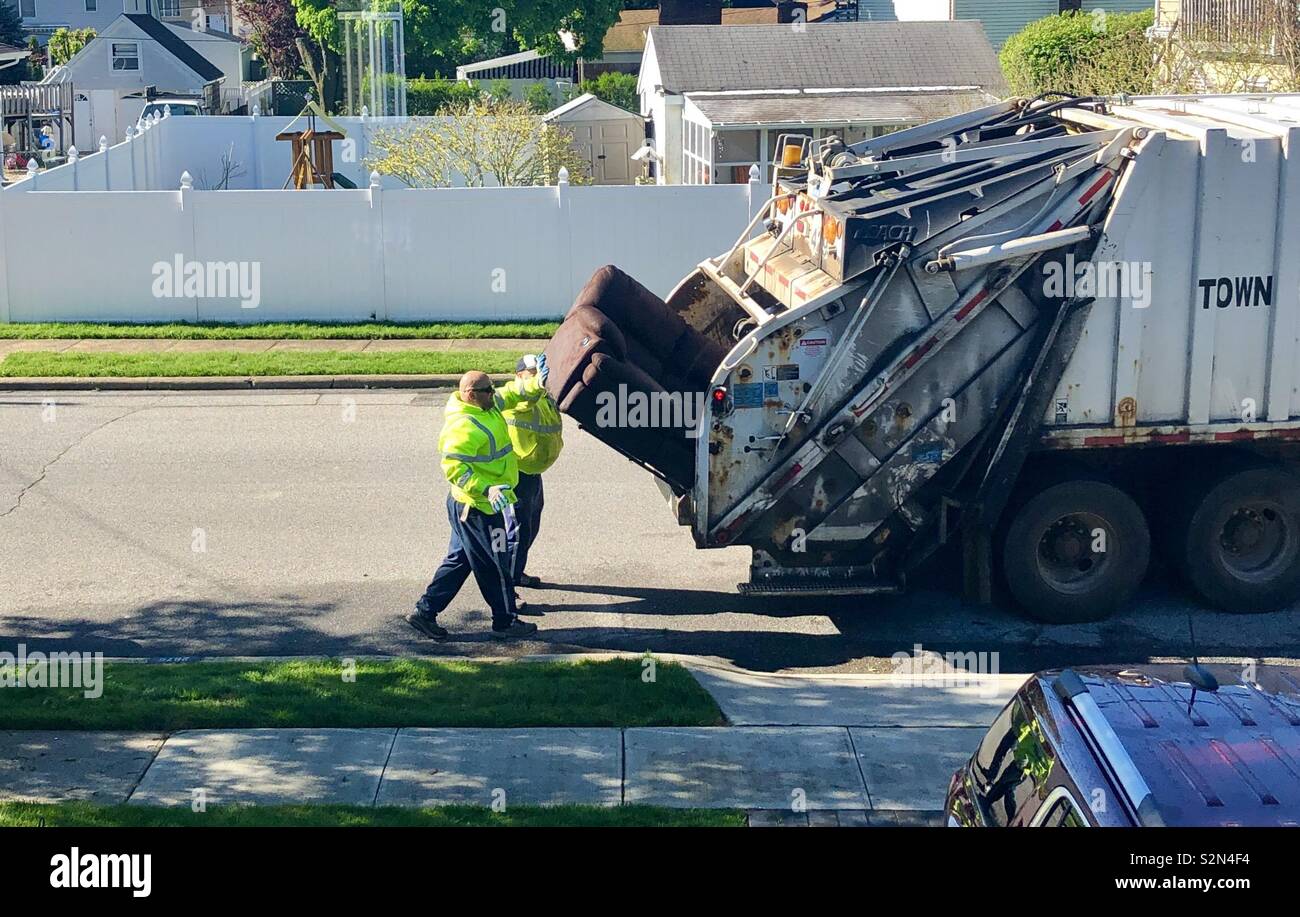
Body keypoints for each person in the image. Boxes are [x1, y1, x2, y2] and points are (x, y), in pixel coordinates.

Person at [406, 368, 547, 641]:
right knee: (497, 564)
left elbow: (510, 393)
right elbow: (456, 470)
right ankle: (505, 621)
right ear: (471, 394)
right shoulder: (463, 426)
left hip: (474, 507)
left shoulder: (488, 407)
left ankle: (424, 612)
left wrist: (536, 383)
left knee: (459, 561)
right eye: (487, 391)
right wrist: (486, 487)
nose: (493, 394)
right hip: (479, 508)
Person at [499, 354, 564, 596]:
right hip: (518, 474)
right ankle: (507, 590)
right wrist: (536, 384)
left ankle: (516, 572)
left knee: (530, 524)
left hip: (533, 472)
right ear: (519, 376)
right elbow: (526, 396)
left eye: (539, 372)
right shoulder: (518, 396)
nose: (538, 377)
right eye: (532, 372)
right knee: (517, 531)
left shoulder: (544, 397)